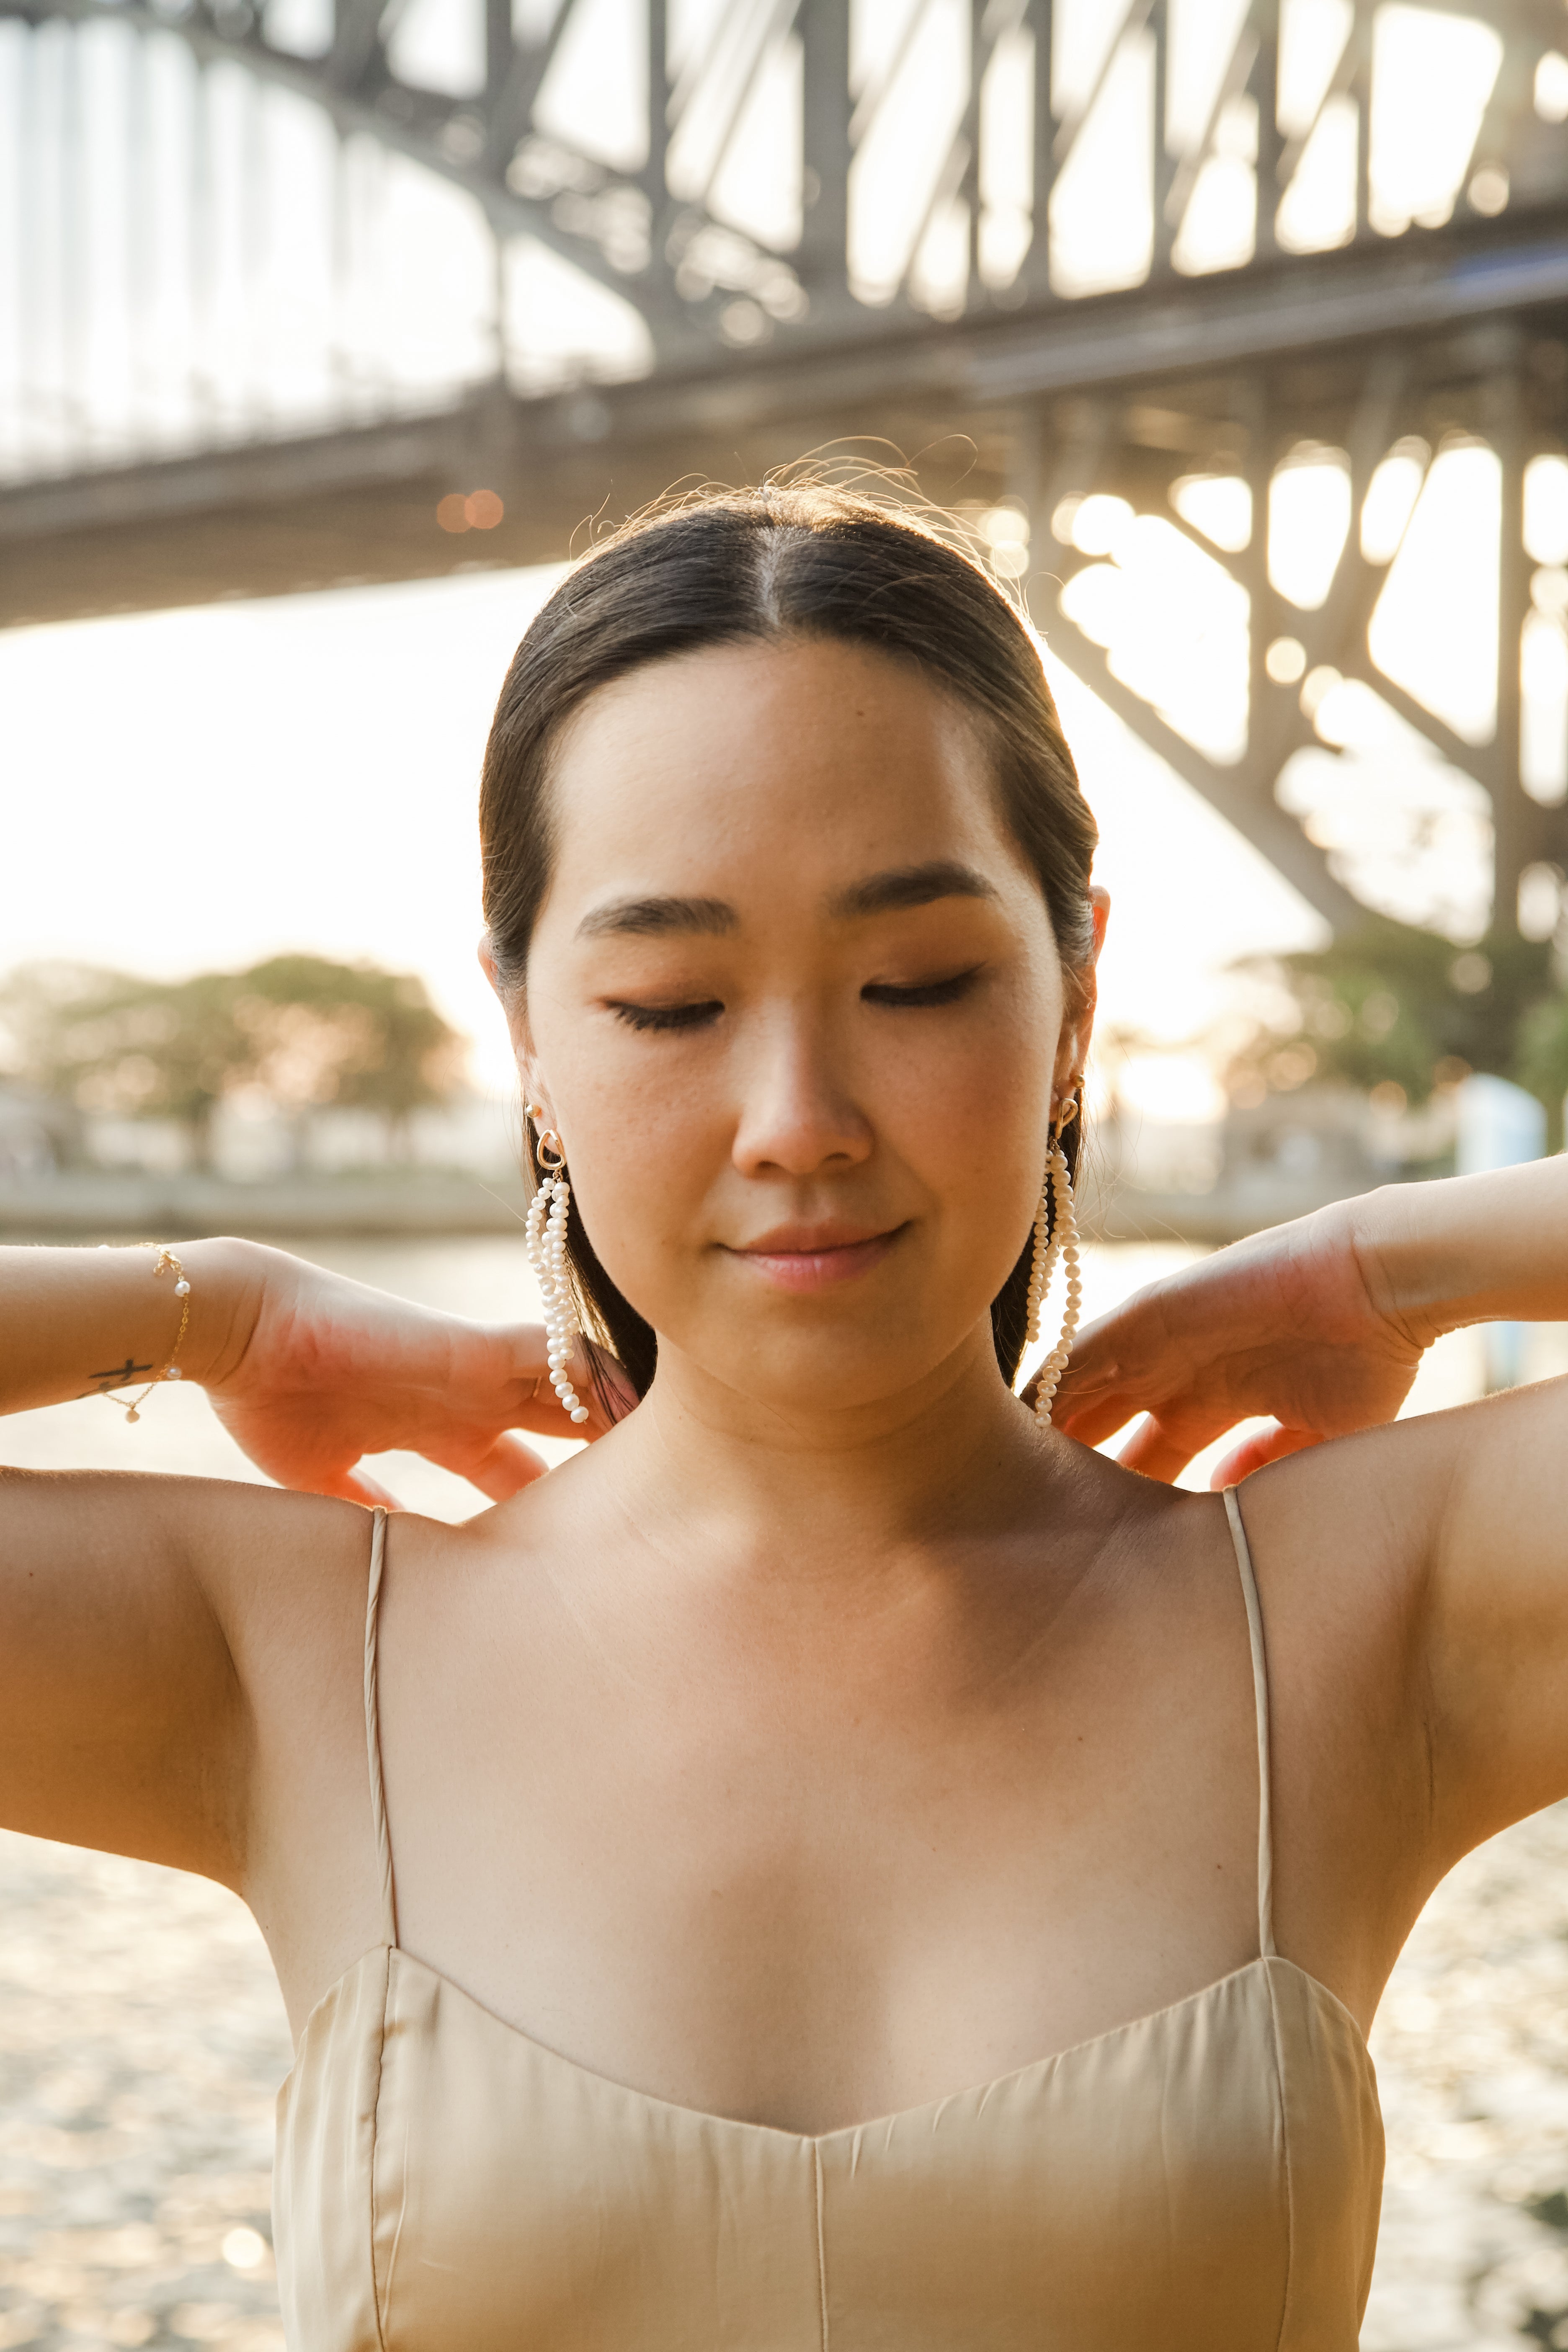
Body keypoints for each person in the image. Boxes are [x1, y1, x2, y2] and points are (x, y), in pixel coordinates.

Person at [3, 482, 1565, 2352]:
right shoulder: (284, 1660)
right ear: (527, 1034)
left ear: (1076, 998)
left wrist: (1396, 1265)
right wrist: (210, 1307)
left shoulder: (1357, 1615)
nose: (799, 1116)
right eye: (670, 1003)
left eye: (918, 980)